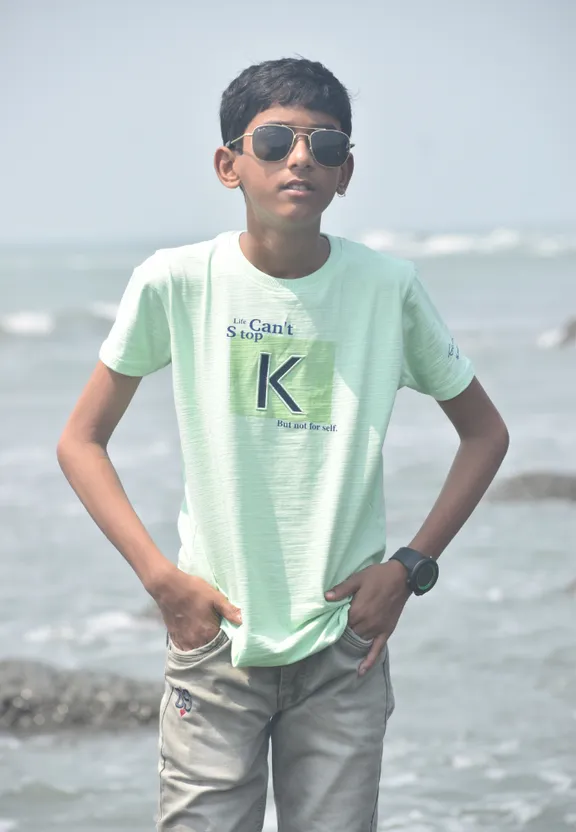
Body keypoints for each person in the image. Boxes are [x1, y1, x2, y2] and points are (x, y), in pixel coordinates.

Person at [57, 57, 510, 832]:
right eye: (274, 140)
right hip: (215, 640)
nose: (301, 157)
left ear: (346, 172)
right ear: (228, 164)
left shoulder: (386, 288)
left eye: (325, 144)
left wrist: (409, 567)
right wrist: (162, 581)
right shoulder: (177, 281)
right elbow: (80, 441)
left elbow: (485, 434)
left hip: (344, 646)